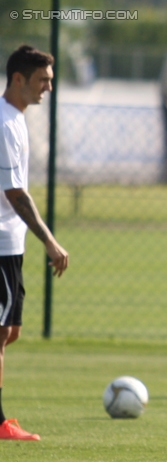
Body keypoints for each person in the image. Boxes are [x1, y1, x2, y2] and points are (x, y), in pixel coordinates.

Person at [0, 45, 69, 441]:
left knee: (10, 332)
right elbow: (15, 193)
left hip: (10, 242)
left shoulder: (16, 119)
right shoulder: (5, 123)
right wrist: (51, 241)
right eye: (42, 80)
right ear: (18, 79)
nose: (48, 88)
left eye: (50, 81)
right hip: (2, 243)